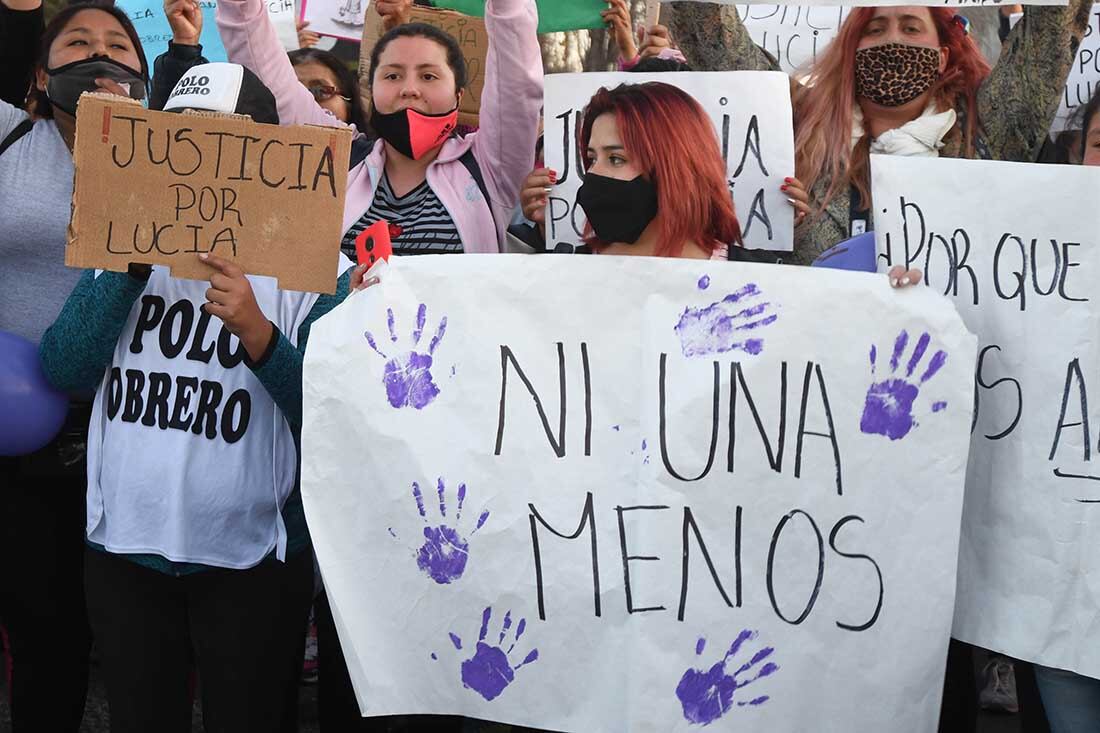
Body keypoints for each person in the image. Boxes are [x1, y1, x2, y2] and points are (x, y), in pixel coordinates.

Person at [37, 60, 354, 733]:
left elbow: (334, 417)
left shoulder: (311, 270)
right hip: (125, 552)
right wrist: (124, 274)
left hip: (253, 564)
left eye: (220, 143)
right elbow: (65, 367)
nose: (194, 167)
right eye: (179, 141)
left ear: (264, 154)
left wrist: (261, 337)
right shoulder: (117, 247)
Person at [674, 1, 1091, 265]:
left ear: (943, 56)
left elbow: (1049, 35)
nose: (892, 40)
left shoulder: (985, 132)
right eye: (875, 30)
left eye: (911, 28)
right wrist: (783, 229)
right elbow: (715, 41)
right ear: (852, 51)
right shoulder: (796, 123)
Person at [0, 2, 151, 728]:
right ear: (40, 73)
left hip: (124, 432)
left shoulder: (171, 166)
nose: (101, 56)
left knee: (106, 637)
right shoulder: (8, 137)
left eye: (120, 46)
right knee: (40, 629)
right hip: (12, 432)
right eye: (78, 44)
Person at [215, 0, 542, 261]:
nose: (409, 89)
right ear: (370, 90)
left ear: (459, 94)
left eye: (428, 76)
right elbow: (270, 83)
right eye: (392, 76)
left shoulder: (489, 168)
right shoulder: (338, 160)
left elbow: (516, 81)